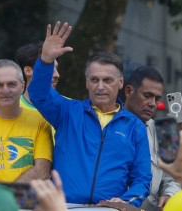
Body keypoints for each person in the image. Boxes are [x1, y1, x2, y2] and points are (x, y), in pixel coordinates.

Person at [28, 21, 151, 206]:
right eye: (94, 79)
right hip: (64, 206)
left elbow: (142, 179)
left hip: (109, 209)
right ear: (87, 83)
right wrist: (45, 61)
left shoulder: (135, 127)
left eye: (107, 80)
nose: (100, 86)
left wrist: (124, 203)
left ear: (120, 82)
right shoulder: (68, 111)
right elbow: (38, 94)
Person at [123, 65, 182, 210]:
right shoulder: (109, 126)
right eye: (147, 96)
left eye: (157, 99)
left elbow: (174, 178)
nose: (152, 104)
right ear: (129, 91)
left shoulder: (164, 131)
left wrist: (169, 194)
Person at [13, 42, 60, 111]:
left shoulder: (69, 108)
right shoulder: (11, 110)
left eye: (56, 68)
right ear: (28, 71)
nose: (57, 75)